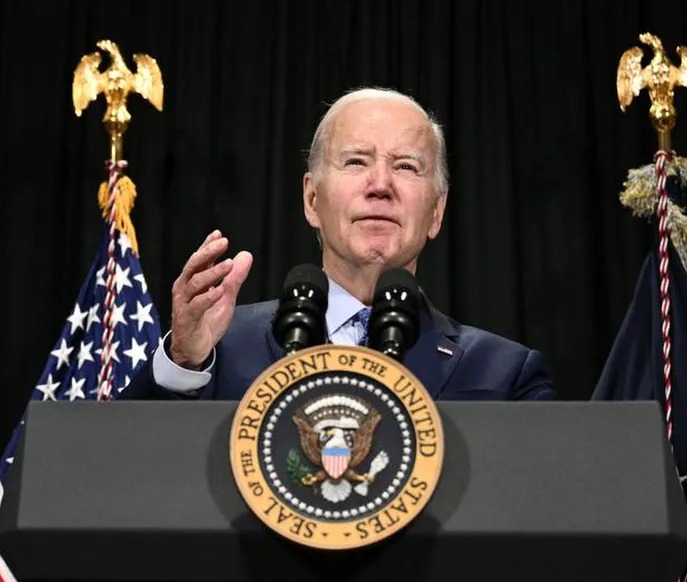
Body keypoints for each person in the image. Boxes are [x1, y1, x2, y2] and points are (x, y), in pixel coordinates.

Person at [120, 87, 555, 401]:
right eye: (356, 162)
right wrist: (184, 362)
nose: (380, 185)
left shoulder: (504, 375)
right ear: (312, 199)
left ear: (436, 212)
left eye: (405, 166)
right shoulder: (220, 348)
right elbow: (123, 472)